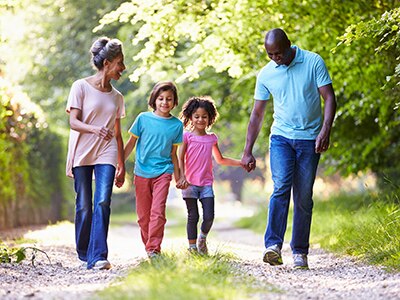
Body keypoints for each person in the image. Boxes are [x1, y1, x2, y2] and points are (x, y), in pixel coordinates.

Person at [241, 28, 336, 269]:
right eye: (270, 54)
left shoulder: (313, 61)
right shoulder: (266, 74)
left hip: (310, 139)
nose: (275, 58)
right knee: (281, 187)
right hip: (281, 138)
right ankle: (273, 246)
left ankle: (300, 253)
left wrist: (325, 130)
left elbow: (329, 97)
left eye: (278, 53)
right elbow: (258, 113)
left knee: (303, 196)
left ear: (289, 45)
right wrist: (247, 149)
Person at [66, 37, 126, 270]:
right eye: (120, 62)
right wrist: (95, 129)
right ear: (108, 62)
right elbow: (73, 122)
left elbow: (118, 134)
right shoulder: (80, 86)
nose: (123, 68)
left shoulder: (117, 97)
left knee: (102, 201)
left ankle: (98, 255)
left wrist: (121, 164)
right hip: (83, 149)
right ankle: (84, 253)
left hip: (107, 151)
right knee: (84, 204)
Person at [124, 81, 183, 258]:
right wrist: (119, 166)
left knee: (158, 211)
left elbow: (174, 154)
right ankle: (149, 246)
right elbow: (130, 145)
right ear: (154, 100)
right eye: (161, 98)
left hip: (164, 172)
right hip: (141, 172)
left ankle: (154, 249)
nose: (165, 102)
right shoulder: (143, 119)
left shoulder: (177, 125)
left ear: (174, 102)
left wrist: (179, 177)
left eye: (169, 99)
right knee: (143, 216)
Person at [178, 96, 243, 254]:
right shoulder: (187, 136)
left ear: (210, 118)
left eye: (204, 116)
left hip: (206, 183)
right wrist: (181, 177)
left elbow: (220, 159)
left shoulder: (211, 138)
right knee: (193, 216)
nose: (200, 120)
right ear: (191, 118)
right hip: (189, 183)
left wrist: (241, 163)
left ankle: (202, 239)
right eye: (197, 116)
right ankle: (192, 248)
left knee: (209, 216)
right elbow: (179, 157)